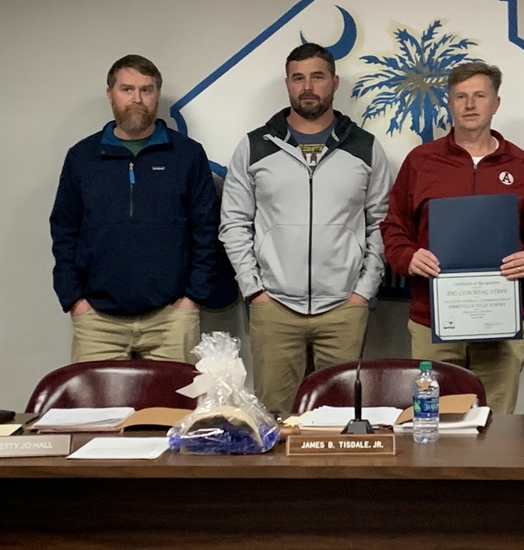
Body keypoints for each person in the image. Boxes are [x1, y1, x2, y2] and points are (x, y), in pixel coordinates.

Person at [220, 43, 392, 416]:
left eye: (317, 77)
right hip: (275, 306)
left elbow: (381, 222)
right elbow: (233, 223)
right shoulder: (255, 146)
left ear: (334, 82)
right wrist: (254, 290)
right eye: (298, 78)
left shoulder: (364, 147)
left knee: (343, 416)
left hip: (344, 307)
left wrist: (363, 290)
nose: (308, 86)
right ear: (287, 84)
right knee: (274, 417)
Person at [381, 62, 524, 414]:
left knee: (496, 426)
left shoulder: (522, 165)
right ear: (449, 103)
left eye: (479, 96)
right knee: (437, 424)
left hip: (502, 321)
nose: (469, 104)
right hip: (434, 321)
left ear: (495, 103)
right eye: (460, 97)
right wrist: (408, 256)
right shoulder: (421, 162)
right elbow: (394, 227)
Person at [50, 54, 220, 363]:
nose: (137, 99)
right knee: (95, 412)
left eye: (147, 89)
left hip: (171, 319)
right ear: (110, 94)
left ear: (157, 94)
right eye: (127, 89)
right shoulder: (82, 157)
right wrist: (74, 299)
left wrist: (192, 298)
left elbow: (206, 230)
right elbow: (64, 231)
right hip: (97, 324)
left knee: (175, 411)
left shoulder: (186, 155)